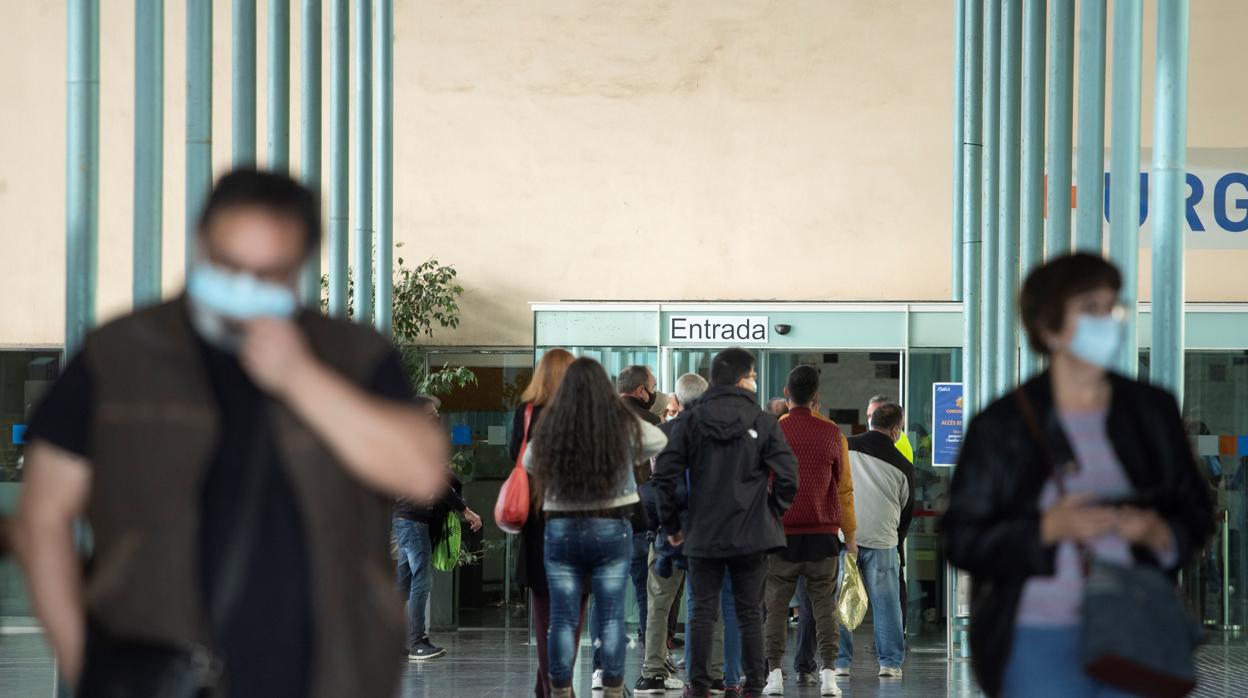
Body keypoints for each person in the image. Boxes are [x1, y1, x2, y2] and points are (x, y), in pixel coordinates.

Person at [12, 168, 448, 697]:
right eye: (229, 264)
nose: (245, 285)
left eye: (269, 272)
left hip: (324, 673)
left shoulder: (351, 355)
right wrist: (85, 660)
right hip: (151, 671)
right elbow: (43, 516)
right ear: (201, 242)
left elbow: (420, 470)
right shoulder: (120, 354)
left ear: (300, 265)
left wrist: (301, 377)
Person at [942, 253, 1214, 698]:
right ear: (1048, 327)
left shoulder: (1151, 411)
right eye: (1090, 309)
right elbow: (962, 538)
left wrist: (1157, 533)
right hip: (1037, 636)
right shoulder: (1002, 424)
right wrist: (1047, 528)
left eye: (1113, 307)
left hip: (1136, 630)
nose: (1107, 320)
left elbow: (1195, 512)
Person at [655, 347, 799, 698]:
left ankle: (699, 687)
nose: (754, 381)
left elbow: (664, 477)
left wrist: (673, 525)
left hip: (703, 534)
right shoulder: (763, 422)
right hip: (751, 534)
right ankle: (753, 684)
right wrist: (771, 511)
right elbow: (789, 476)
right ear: (740, 379)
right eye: (752, 375)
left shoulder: (689, 422)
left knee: (702, 611)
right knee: (750, 612)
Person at [526, 358, 668, 698]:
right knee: (611, 615)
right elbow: (658, 441)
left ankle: (559, 688)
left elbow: (530, 461)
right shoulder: (620, 422)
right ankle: (613, 686)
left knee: (562, 617)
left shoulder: (552, 423)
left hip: (559, 527)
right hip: (610, 526)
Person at [762, 365, 856, 697]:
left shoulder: (773, 433)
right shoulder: (833, 434)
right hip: (823, 536)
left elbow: (762, 486)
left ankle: (774, 675)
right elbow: (844, 491)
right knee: (824, 606)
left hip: (781, 535)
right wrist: (852, 537)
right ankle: (829, 675)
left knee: (775, 606)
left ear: (788, 395)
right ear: (816, 398)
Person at [393, 395, 483, 661]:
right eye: (431, 413)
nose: (436, 417)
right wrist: (465, 511)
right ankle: (417, 642)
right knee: (421, 579)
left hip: (408, 519)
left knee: (404, 582)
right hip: (413, 520)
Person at [509, 348, 577, 698]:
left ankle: (548, 687)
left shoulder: (526, 412)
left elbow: (514, 458)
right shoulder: (579, 415)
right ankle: (557, 689)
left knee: (546, 619)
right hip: (576, 523)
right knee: (571, 621)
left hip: (536, 524)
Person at [636, 373, 708, 694]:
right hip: (707, 534)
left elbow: (656, 487)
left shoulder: (661, 435)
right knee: (704, 606)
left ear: (676, 401)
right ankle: (702, 673)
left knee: (659, 603)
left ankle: (653, 671)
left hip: (670, 531)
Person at [834, 401, 913, 679]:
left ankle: (840, 662)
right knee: (887, 602)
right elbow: (907, 510)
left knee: (842, 597)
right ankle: (890, 663)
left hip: (846, 537)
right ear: (895, 430)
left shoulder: (845, 446)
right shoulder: (903, 465)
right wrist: (897, 541)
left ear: (872, 422)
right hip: (883, 540)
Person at [617, 364, 661, 660]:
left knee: (606, 594)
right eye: (653, 387)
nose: (654, 393)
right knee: (646, 589)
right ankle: (651, 658)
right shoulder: (651, 421)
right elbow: (660, 472)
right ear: (640, 391)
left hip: (603, 518)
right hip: (639, 517)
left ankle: (600, 667)